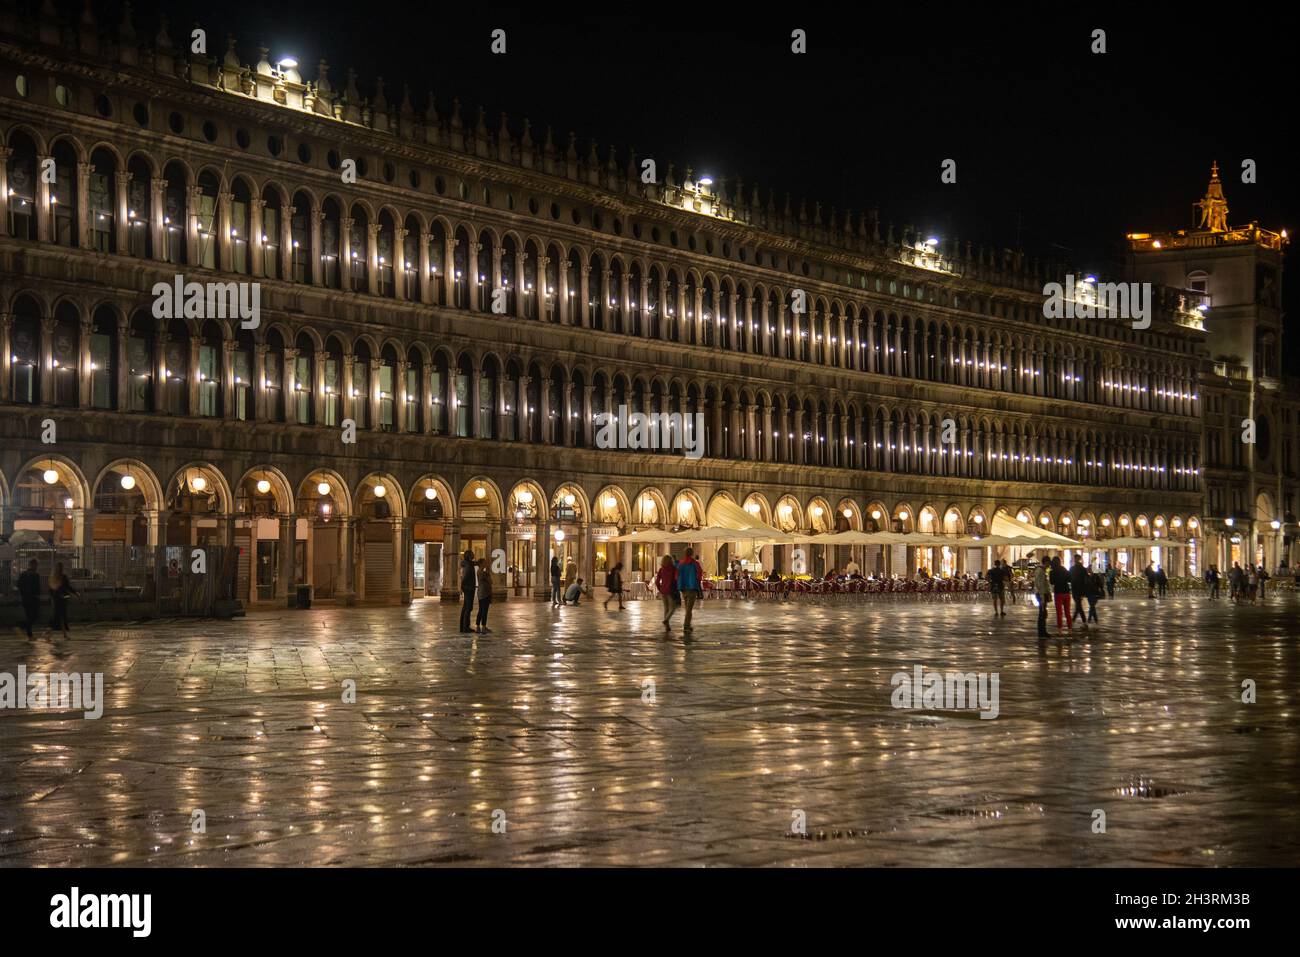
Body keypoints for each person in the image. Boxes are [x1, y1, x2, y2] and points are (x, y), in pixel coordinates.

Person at [676, 547, 704, 631]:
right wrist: (697, 582)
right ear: (692, 553)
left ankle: (688, 624)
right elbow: (699, 574)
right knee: (689, 608)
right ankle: (686, 625)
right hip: (692, 587)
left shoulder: (680, 563)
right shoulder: (695, 563)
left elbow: (677, 575)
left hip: (683, 587)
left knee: (687, 607)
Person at [48, 562, 77, 636]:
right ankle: (48, 634)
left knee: (60, 617)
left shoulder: (54, 577)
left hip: (59, 599)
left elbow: (52, 590)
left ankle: (64, 634)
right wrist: (75, 593)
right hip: (60, 599)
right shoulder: (61, 577)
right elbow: (67, 587)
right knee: (59, 618)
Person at [16, 558, 41, 639]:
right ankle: (23, 626)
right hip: (33, 599)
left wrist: (23, 593)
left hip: (25, 599)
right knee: (34, 616)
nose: (37, 566)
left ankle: (29, 634)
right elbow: (37, 588)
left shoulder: (23, 574)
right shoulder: (35, 575)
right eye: (36, 564)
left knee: (29, 616)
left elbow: (18, 585)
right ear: (33, 565)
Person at [1049, 556, 1072, 634]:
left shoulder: (1052, 572)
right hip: (1066, 592)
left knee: (1059, 612)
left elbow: (1051, 582)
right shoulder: (1064, 569)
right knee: (1067, 612)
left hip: (1058, 592)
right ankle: (1070, 628)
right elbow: (1069, 579)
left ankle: (1060, 630)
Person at [654, 555, 678, 630]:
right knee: (673, 607)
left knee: (666, 608)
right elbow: (676, 579)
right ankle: (666, 620)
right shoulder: (674, 569)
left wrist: (660, 589)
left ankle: (667, 626)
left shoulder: (661, 570)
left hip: (663, 591)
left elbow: (657, 581)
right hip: (671, 590)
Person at [458, 548, 477, 633]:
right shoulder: (468, 566)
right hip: (469, 588)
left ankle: (463, 626)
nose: (473, 555)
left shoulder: (467, 564)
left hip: (467, 588)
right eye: (472, 554)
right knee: (468, 608)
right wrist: (462, 587)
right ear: (469, 556)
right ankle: (465, 627)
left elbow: (474, 563)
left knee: (466, 607)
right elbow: (465, 577)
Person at [1068, 556, 1089, 631]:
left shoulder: (1072, 568)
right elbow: (1086, 579)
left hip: (1076, 589)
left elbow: (1069, 578)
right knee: (1078, 606)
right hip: (1079, 590)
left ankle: (1074, 622)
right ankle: (1081, 622)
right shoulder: (1083, 569)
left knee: (1078, 606)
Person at [1033, 560, 1051, 639]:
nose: (1049, 566)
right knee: (1042, 613)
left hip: (1041, 594)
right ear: (1045, 562)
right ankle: (1042, 632)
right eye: (1048, 564)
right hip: (1041, 594)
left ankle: (1042, 631)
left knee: (1043, 613)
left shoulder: (1040, 570)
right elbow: (1040, 584)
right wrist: (1042, 597)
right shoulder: (1040, 571)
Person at [474, 557, 493, 633]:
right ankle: (483, 627)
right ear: (481, 564)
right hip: (485, 593)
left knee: (481, 610)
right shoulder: (483, 573)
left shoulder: (479, 572)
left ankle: (478, 626)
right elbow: (490, 581)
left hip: (481, 592)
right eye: (484, 562)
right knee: (484, 610)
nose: (486, 564)